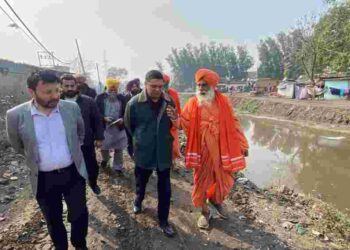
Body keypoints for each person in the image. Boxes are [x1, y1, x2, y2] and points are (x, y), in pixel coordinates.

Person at [6, 70, 89, 250]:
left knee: (79, 214)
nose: (55, 96)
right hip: (43, 178)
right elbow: (18, 146)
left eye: (57, 90)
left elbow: (80, 134)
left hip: (72, 173)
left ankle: (80, 244)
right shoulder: (15, 115)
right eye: (48, 92)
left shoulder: (71, 108)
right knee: (53, 219)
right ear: (32, 92)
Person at [167, 68, 249, 229]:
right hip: (201, 150)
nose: (201, 88)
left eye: (204, 85)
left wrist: (242, 144)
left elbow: (234, 124)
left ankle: (216, 200)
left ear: (213, 86)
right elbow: (184, 124)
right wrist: (174, 118)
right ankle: (205, 212)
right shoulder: (192, 103)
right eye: (199, 85)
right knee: (200, 183)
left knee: (224, 181)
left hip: (222, 150)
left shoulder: (224, 101)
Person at [124, 70, 176, 237]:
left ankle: (163, 220)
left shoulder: (169, 102)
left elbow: (173, 124)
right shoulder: (133, 104)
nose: (157, 90)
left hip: (163, 152)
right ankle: (138, 200)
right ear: (145, 85)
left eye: (160, 86)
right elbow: (129, 127)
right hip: (143, 151)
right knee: (141, 180)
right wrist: (137, 144)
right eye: (153, 86)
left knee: (165, 188)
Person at [60, 74, 104, 195]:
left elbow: (97, 119)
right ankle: (75, 191)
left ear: (76, 86)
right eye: (66, 86)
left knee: (92, 167)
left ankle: (93, 183)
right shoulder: (56, 103)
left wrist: (99, 137)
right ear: (61, 87)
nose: (69, 88)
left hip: (86, 141)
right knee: (71, 169)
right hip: (65, 144)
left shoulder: (88, 101)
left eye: (72, 85)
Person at [96, 78, 128, 175]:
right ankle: (105, 160)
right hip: (105, 127)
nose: (113, 91)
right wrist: (104, 118)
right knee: (104, 147)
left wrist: (122, 119)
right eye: (111, 90)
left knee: (119, 148)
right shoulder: (100, 98)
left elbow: (127, 112)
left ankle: (118, 167)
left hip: (118, 127)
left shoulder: (122, 98)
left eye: (115, 90)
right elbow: (95, 112)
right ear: (107, 88)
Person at [162, 74, 181, 160]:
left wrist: (178, 118)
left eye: (166, 84)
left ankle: (173, 162)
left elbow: (178, 106)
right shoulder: (154, 94)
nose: (164, 86)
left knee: (174, 146)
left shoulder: (173, 93)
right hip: (160, 124)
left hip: (172, 123)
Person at [124, 78, 143, 158]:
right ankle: (132, 154)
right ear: (129, 87)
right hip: (129, 121)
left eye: (136, 86)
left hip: (141, 122)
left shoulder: (144, 95)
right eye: (132, 86)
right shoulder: (126, 96)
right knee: (130, 139)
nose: (134, 88)